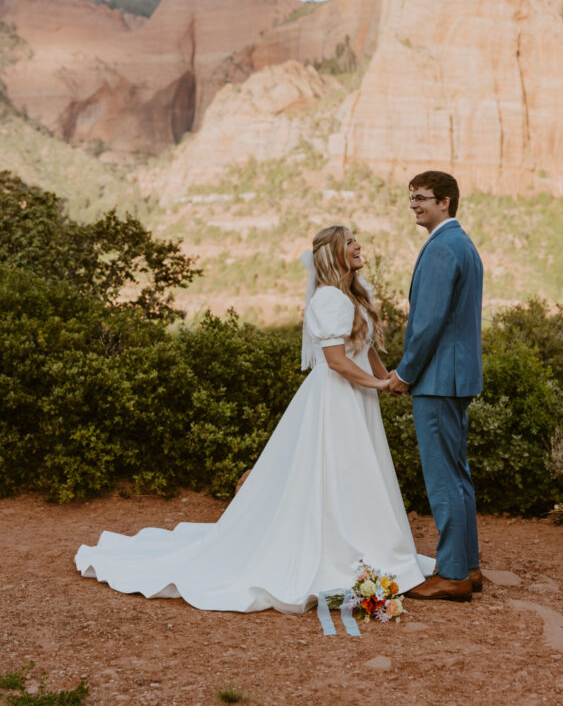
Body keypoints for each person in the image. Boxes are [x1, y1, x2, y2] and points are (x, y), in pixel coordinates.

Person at [75, 225, 433, 613]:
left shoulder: (352, 294)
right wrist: (378, 387)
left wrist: (389, 377)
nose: (358, 246)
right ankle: (338, 549)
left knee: (360, 471)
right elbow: (336, 361)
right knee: (338, 472)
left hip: (358, 395)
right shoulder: (328, 299)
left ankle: (368, 545)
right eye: (349, 242)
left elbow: (363, 351)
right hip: (337, 399)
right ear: (333, 254)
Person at [387, 171, 484, 602]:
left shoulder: (444, 247)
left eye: (422, 198)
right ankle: (469, 566)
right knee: (458, 473)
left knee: (443, 477)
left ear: (445, 201)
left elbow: (428, 323)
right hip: (455, 376)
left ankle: (452, 574)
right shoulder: (461, 243)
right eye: (411, 198)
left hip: (437, 378)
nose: (414, 205)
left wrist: (405, 373)